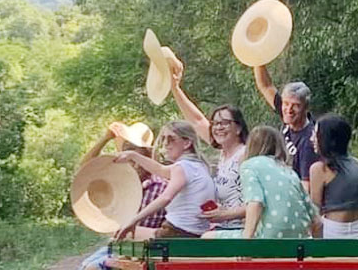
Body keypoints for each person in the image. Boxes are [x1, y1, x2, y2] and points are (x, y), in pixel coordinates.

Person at [66, 125, 167, 270]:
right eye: (129, 149)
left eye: (137, 150)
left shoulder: (162, 183)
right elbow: (85, 171)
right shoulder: (119, 177)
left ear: (148, 155)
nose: (133, 157)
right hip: (118, 246)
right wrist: (105, 138)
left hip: (144, 247)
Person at [169, 58, 249, 233]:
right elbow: (197, 121)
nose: (218, 127)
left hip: (240, 229)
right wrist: (175, 88)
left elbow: (258, 202)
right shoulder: (222, 152)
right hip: (220, 226)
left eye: (225, 123)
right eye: (215, 123)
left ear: (238, 128)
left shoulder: (245, 155)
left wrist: (225, 215)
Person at [114, 120, 216, 240]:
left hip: (177, 232)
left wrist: (134, 220)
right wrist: (133, 155)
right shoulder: (198, 166)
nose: (166, 144)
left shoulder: (182, 167)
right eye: (164, 139)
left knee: (118, 231)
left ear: (187, 143)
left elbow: (166, 198)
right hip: (193, 232)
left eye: (171, 139)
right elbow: (160, 169)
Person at [215, 125, 319, 239]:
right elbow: (316, 220)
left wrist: (245, 243)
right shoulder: (289, 172)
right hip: (298, 241)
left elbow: (255, 203)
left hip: (267, 238)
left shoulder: (250, 166)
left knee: (207, 238)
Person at [253, 66, 319, 191]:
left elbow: (307, 186)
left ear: (306, 108)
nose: (289, 110)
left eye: (296, 106)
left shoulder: (309, 140)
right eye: (286, 103)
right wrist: (257, 57)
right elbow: (265, 86)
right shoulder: (288, 116)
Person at [309, 114, 358, 239]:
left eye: (315, 134)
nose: (312, 139)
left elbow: (315, 213)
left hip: (333, 231)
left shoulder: (320, 169)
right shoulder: (357, 164)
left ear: (327, 139)